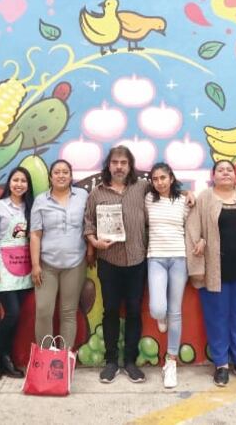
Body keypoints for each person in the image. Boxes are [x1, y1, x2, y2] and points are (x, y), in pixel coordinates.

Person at [186, 159, 236, 388]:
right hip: (214, 270)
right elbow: (192, 230)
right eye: (220, 170)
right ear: (213, 176)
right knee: (216, 318)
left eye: (229, 170)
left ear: (235, 175)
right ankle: (221, 364)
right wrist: (198, 255)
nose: (225, 173)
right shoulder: (204, 198)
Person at [84, 145, 149, 384]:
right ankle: (111, 361)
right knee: (110, 310)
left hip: (137, 261)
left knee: (134, 310)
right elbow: (88, 223)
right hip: (109, 261)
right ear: (108, 165)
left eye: (123, 162)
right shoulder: (97, 193)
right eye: (115, 162)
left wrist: (187, 195)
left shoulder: (142, 187)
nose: (119, 167)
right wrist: (94, 242)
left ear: (130, 166)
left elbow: (167, 190)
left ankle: (130, 361)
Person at [30, 159, 89, 353]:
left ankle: (64, 359)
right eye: (57, 172)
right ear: (50, 177)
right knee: (43, 311)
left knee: (68, 312)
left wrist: (91, 250)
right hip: (47, 265)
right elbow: (35, 234)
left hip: (75, 263)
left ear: (71, 176)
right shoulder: (41, 200)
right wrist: (35, 265)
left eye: (65, 172)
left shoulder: (83, 196)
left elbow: (90, 225)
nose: (61, 175)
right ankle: (45, 356)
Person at [0, 166, 35, 380]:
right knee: (12, 313)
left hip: (24, 267)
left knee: (17, 316)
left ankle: (6, 358)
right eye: (16, 180)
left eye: (23, 181)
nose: (19, 184)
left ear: (28, 185)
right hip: (3, 268)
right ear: (10, 183)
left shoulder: (31, 208)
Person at [144, 163, 190, 389]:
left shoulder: (183, 201)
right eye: (155, 179)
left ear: (171, 178)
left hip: (179, 259)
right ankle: (160, 317)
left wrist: (189, 194)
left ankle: (171, 362)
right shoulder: (148, 200)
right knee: (158, 309)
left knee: (176, 312)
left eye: (163, 177)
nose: (159, 182)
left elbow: (193, 227)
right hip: (156, 259)